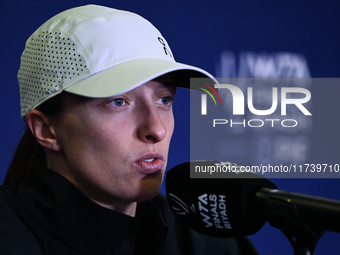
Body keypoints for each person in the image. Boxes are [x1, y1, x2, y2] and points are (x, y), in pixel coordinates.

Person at [0, 4, 259, 254]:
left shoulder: (204, 241)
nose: (156, 130)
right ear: (46, 129)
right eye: (118, 102)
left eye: (164, 100)